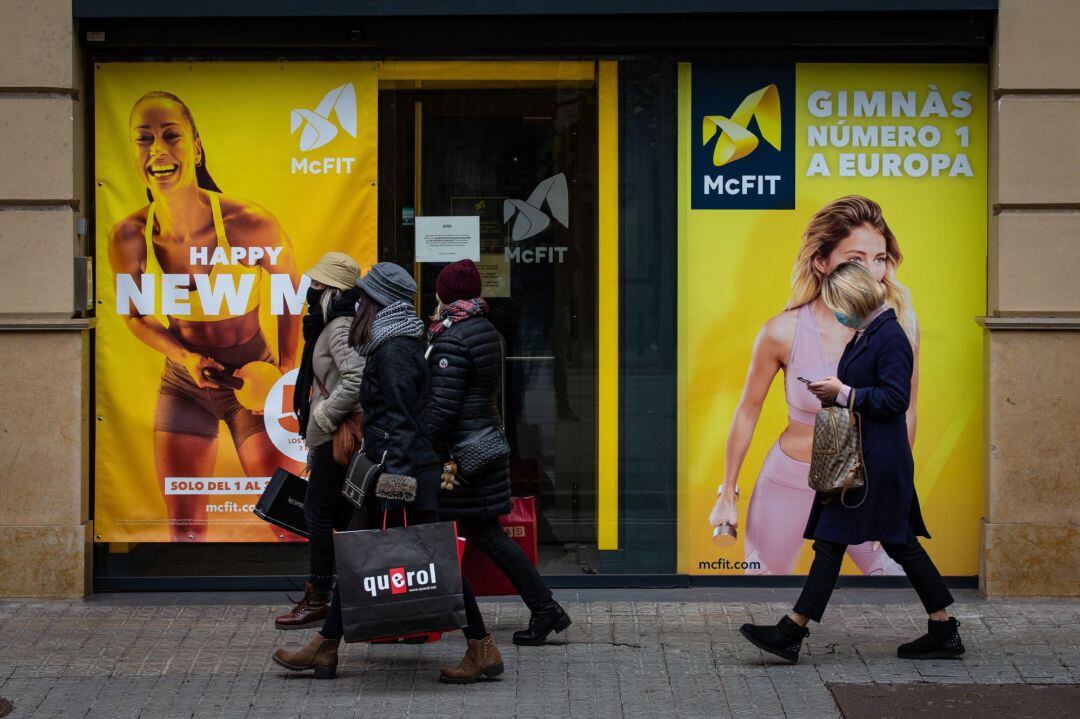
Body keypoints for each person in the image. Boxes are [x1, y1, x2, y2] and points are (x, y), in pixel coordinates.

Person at [272, 263, 503, 684]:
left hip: (404, 473)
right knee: (362, 554)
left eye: (364, 297)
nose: (357, 303)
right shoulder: (391, 340)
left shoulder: (394, 348)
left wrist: (397, 483)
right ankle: (325, 647)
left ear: (378, 303)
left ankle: (482, 646)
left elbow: (401, 420)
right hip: (396, 468)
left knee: (434, 560)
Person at [739, 261, 963, 663]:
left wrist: (843, 393)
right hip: (863, 459)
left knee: (847, 543)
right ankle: (943, 628)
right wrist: (834, 393)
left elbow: (895, 400)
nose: (836, 311)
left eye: (839, 302)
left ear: (855, 297)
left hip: (872, 463)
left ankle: (792, 631)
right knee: (891, 542)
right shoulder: (868, 334)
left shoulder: (889, 336)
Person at [108, 91, 302, 541]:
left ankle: (313, 597)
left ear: (195, 147)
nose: (158, 150)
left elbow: (290, 294)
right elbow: (134, 315)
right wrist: (185, 358)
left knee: (291, 524)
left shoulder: (249, 222)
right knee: (185, 532)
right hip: (184, 383)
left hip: (253, 378)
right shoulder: (129, 236)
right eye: (144, 139)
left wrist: (285, 372)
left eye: (171, 136)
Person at [708, 195, 917, 575]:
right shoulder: (783, 330)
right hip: (789, 480)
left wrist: (893, 496)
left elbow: (905, 412)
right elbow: (747, 410)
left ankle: (938, 622)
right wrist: (727, 491)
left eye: (879, 258)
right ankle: (792, 628)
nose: (870, 272)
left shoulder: (898, 329)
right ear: (822, 262)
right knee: (762, 583)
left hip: (863, 485)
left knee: (892, 577)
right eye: (855, 259)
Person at [425, 259, 571, 646]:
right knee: (486, 533)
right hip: (482, 444)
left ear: (445, 295)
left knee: (441, 532)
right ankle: (544, 608)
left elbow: (443, 407)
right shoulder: (485, 330)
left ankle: (434, 619)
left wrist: (420, 441)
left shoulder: (453, 339)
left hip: (459, 456)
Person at [274, 252, 364, 630]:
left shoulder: (339, 326)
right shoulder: (328, 324)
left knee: (318, 513)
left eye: (317, 284)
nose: (310, 290)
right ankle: (336, 594)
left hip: (333, 437)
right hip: (326, 436)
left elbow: (356, 379)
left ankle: (319, 596)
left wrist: (325, 416)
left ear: (332, 289)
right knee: (329, 514)